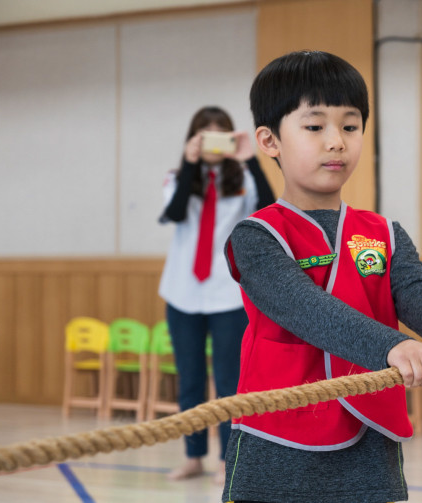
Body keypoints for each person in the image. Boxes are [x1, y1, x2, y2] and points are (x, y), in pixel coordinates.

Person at [220, 51, 422, 503]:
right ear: (269, 141)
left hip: (371, 443)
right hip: (276, 441)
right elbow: (303, 308)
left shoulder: (384, 232)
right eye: (314, 127)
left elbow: (416, 288)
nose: (336, 142)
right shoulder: (256, 235)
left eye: (350, 126)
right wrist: (393, 347)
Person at [158, 106, 275, 482]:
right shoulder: (177, 178)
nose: (212, 144)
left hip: (228, 294)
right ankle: (193, 457)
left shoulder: (243, 178)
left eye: (219, 135)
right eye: (204, 135)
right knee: (190, 378)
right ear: (193, 139)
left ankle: (228, 460)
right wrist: (189, 163)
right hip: (183, 292)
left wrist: (250, 159)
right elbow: (177, 213)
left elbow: (269, 210)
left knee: (229, 381)